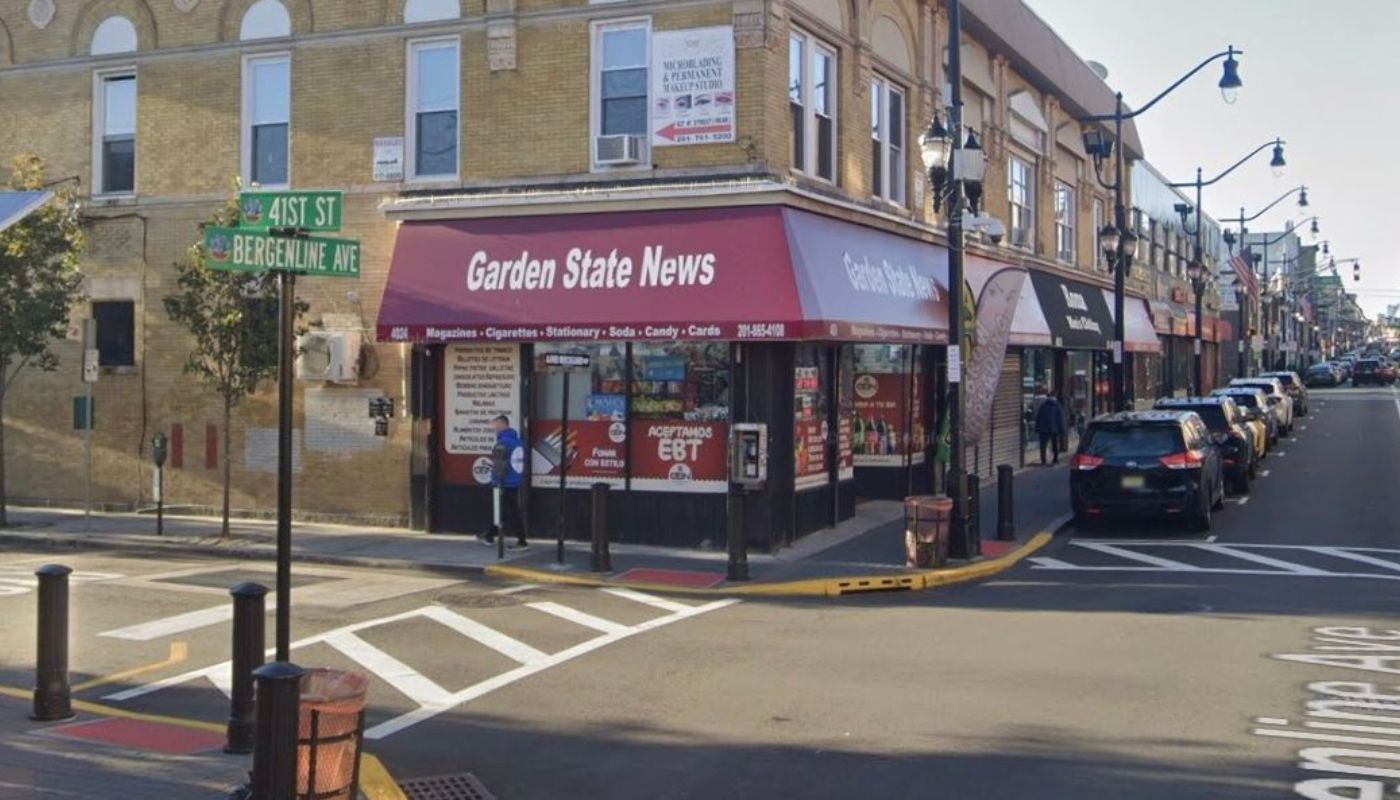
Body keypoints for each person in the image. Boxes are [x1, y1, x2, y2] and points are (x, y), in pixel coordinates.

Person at [479, 415, 528, 550]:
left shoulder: (502, 443)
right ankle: (490, 534)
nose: (494, 430)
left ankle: (521, 540)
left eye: (495, 426)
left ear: (501, 425)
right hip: (515, 481)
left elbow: (499, 465)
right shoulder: (518, 441)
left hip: (504, 482)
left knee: (506, 511)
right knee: (507, 510)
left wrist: (495, 481)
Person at [1035, 391, 1068, 466]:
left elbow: (1038, 417)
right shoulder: (1057, 406)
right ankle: (1055, 459)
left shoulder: (1043, 406)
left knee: (1043, 445)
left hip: (1043, 429)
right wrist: (1063, 431)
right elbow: (1061, 419)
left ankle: (1043, 460)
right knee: (1055, 444)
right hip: (1054, 429)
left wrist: (1037, 428)